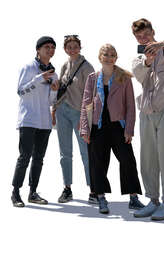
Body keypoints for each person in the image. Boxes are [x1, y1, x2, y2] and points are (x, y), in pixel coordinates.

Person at [79, 44, 144, 214]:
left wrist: (129, 129)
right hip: (97, 127)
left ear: (116, 58)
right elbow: (85, 104)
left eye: (112, 55)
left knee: (128, 160)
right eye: (105, 54)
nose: (109, 57)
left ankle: (134, 198)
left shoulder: (124, 78)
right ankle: (101, 198)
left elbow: (130, 106)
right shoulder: (92, 78)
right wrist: (84, 130)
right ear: (100, 57)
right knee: (97, 163)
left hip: (118, 126)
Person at [131, 18, 164, 220]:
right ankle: (152, 200)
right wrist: (147, 61)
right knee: (148, 157)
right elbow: (139, 74)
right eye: (138, 36)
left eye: (146, 34)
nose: (143, 39)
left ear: (153, 32)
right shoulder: (138, 58)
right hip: (146, 112)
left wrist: (163, 45)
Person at [11, 36, 59, 207]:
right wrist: (39, 79)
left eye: (53, 47)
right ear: (38, 49)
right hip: (28, 120)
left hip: (44, 122)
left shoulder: (54, 73)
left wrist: (54, 91)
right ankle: (16, 193)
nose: (50, 50)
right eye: (47, 46)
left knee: (39, 158)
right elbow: (21, 91)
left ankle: (33, 192)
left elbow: (52, 102)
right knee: (24, 157)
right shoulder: (28, 67)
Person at [51, 35, 96, 203]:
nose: (72, 49)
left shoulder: (87, 67)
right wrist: (54, 111)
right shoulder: (64, 65)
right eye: (69, 47)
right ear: (65, 49)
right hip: (62, 110)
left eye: (75, 46)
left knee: (86, 152)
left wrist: (87, 116)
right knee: (65, 152)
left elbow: (92, 93)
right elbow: (58, 91)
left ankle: (93, 190)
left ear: (80, 47)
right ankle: (67, 188)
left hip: (79, 112)